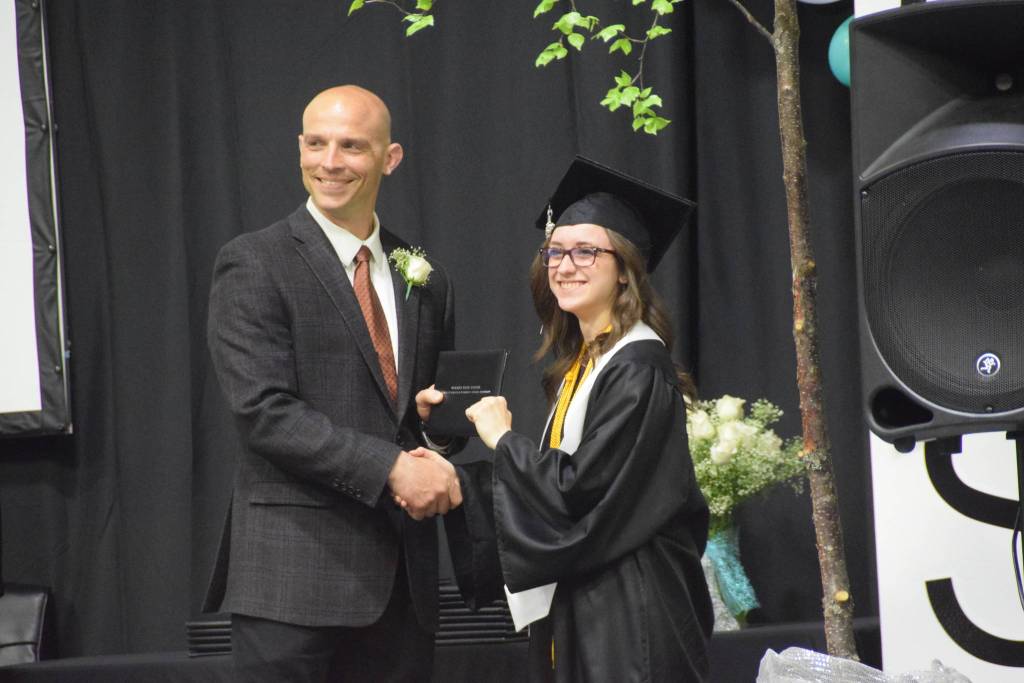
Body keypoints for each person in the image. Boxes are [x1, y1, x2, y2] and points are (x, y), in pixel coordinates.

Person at [415, 157, 713, 681]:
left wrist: (503, 440)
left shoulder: (638, 368)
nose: (564, 265)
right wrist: (462, 484)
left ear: (625, 268)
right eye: (555, 251)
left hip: (631, 611)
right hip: (591, 600)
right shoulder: (589, 364)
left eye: (586, 251)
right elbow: (565, 490)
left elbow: (578, 492)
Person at [204, 84, 462, 682]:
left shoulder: (425, 274)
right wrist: (395, 469)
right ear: (299, 147)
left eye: (351, 146)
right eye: (316, 143)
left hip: (402, 586)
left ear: (390, 158)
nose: (330, 162)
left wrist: (443, 434)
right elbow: (263, 411)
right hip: (293, 582)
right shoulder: (254, 261)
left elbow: (417, 417)